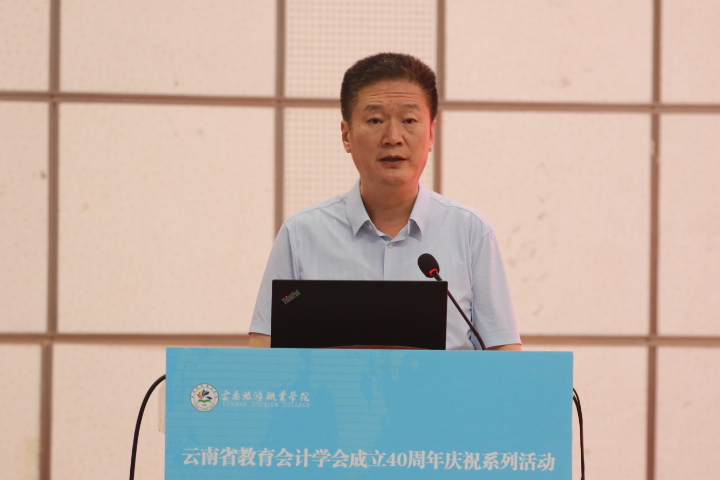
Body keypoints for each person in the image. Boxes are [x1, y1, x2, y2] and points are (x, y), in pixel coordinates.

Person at [249, 53, 521, 351]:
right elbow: (265, 351)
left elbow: (503, 353)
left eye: (409, 120)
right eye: (375, 120)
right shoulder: (301, 235)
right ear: (346, 135)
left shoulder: (470, 232)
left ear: (431, 133)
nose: (393, 137)